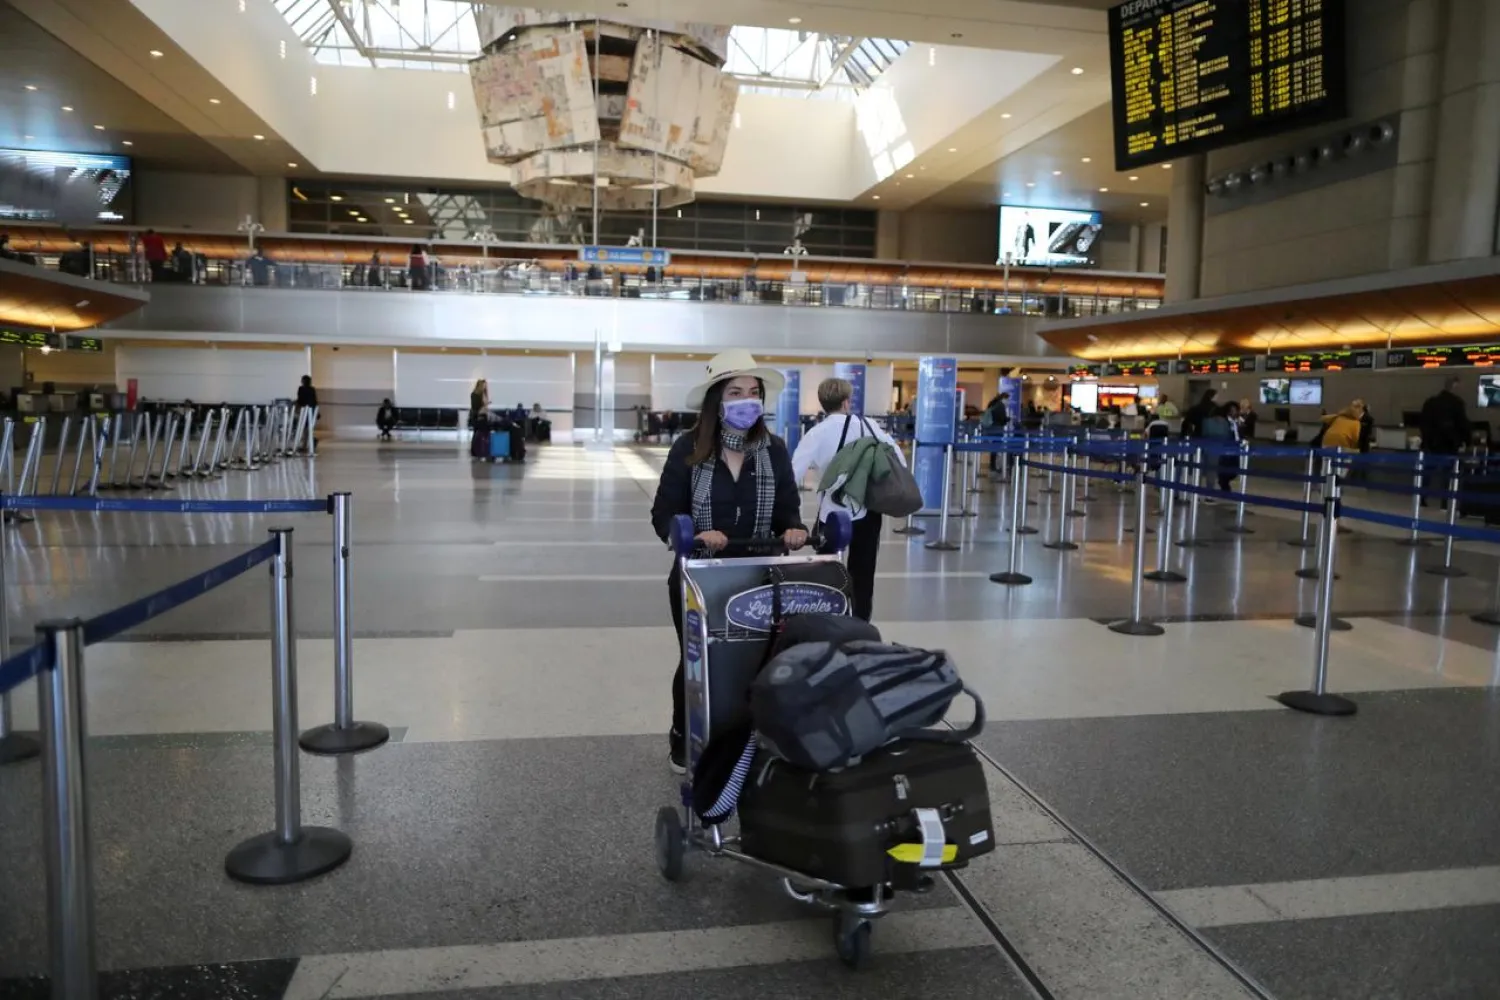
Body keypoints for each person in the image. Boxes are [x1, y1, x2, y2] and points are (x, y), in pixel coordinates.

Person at [650, 350, 807, 773]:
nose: (747, 400)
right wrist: (693, 535)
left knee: (757, 658)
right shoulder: (689, 449)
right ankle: (685, 737)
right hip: (700, 576)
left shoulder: (773, 450)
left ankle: (747, 740)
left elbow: (789, 509)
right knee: (699, 658)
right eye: (735, 392)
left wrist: (793, 529)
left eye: (753, 392)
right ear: (717, 400)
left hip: (760, 573)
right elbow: (663, 514)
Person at [791, 377, 906, 623]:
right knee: (863, 573)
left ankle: (827, 620)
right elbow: (899, 460)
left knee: (826, 570)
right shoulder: (870, 426)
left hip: (832, 514)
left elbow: (792, 474)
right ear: (847, 402)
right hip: (868, 510)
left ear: (823, 404)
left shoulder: (817, 433)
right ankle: (860, 624)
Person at [1420, 377, 1470, 457]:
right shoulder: (1457, 403)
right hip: (1449, 445)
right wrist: (1467, 441)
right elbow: (1462, 424)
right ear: (1454, 387)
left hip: (1430, 445)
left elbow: (1423, 423)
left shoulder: (1430, 402)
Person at [981, 392, 1010, 472]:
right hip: (997, 428)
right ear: (1004, 399)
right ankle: (994, 466)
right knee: (996, 447)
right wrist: (1008, 419)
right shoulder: (1001, 406)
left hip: (992, 428)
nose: (1008, 401)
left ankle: (993, 465)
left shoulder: (994, 404)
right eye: (1007, 399)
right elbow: (1002, 419)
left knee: (994, 447)